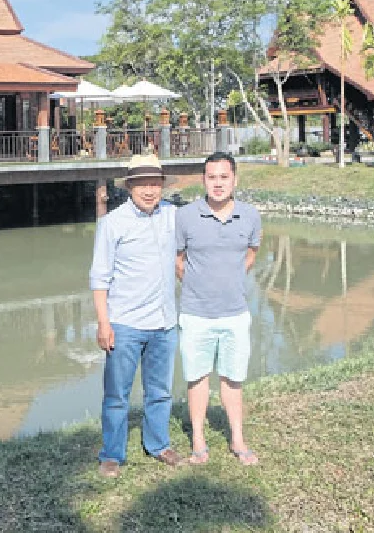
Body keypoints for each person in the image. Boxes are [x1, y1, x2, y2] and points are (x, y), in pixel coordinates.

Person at [89, 153, 182, 478]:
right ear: (129, 187)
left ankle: (158, 444)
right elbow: (100, 278)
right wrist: (104, 323)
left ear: (162, 186)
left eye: (154, 183)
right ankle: (112, 454)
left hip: (165, 323)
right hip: (125, 323)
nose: (149, 190)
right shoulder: (112, 223)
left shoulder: (173, 215)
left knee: (160, 390)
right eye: (142, 183)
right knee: (117, 395)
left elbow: (183, 256)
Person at [176, 151, 262, 465]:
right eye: (211, 177)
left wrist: (229, 280)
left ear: (234, 180)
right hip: (196, 313)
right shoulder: (185, 216)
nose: (218, 184)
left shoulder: (250, 216)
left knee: (233, 377)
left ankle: (237, 438)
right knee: (197, 377)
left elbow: (250, 254)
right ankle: (198, 439)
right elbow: (179, 261)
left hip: (236, 313)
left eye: (224, 177)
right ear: (203, 180)